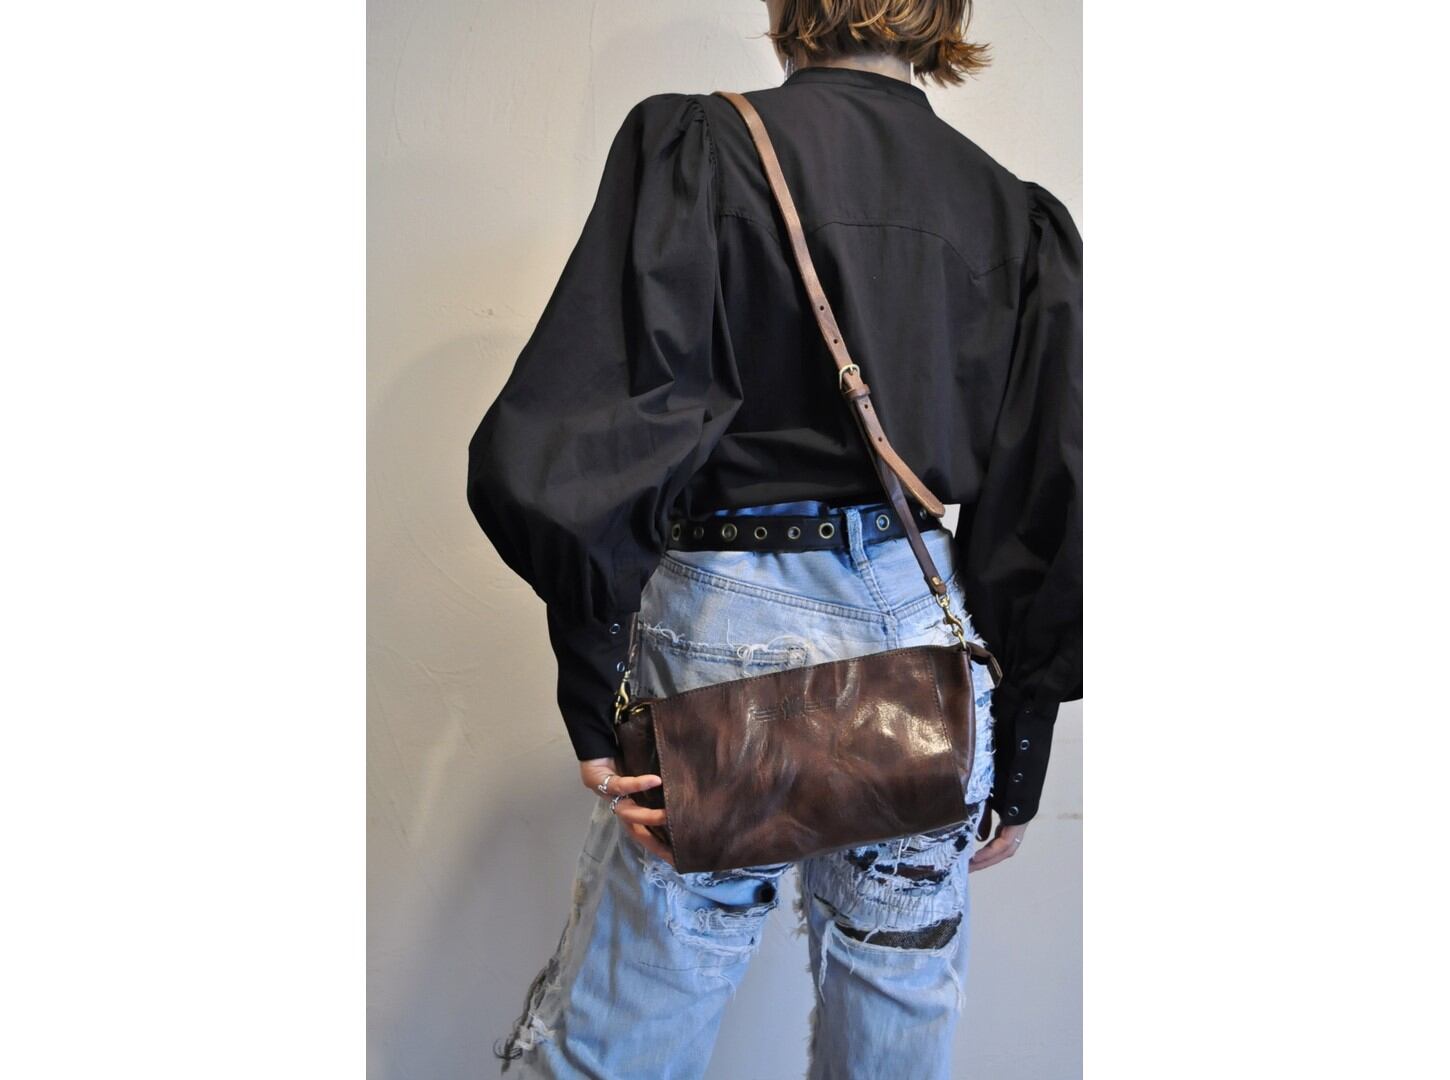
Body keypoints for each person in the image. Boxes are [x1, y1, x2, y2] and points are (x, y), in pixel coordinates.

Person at [465, 1, 1081, 1075]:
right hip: (925, 637)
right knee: (897, 993)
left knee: (641, 1004)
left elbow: (580, 449)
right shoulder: (1011, 213)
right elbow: (1049, 495)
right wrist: (1020, 747)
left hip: (729, 621)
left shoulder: (704, 148)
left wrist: (598, 692)